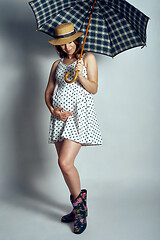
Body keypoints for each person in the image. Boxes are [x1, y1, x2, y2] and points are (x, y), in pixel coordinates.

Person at [45, 22, 102, 234]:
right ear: (58, 45)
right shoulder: (56, 64)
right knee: (64, 166)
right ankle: (78, 207)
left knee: (65, 162)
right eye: (63, 44)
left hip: (79, 117)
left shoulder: (87, 59)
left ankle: (80, 211)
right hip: (59, 119)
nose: (68, 47)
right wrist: (53, 110)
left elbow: (94, 88)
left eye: (70, 42)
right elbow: (49, 92)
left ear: (77, 39)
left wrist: (80, 74)